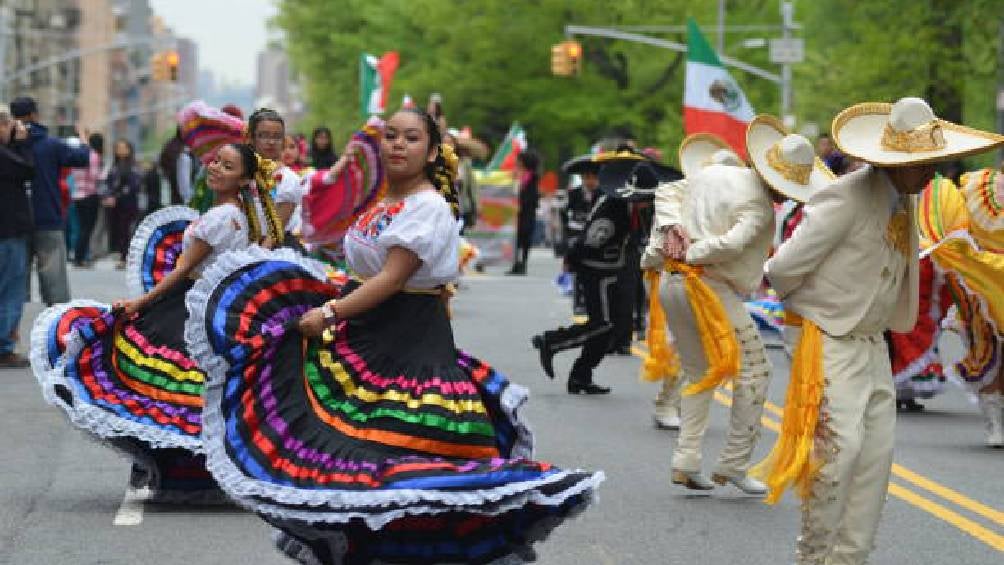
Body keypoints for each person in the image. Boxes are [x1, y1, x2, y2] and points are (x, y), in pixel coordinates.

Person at [184, 108, 603, 564]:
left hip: (408, 348)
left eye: (411, 137)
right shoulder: (384, 204)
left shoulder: (428, 207)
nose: (398, 145)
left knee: (393, 464)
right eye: (391, 136)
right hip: (365, 341)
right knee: (350, 464)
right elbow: (362, 273)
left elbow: (392, 279)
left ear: (432, 151)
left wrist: (329, 312)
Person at [753, 97, 1002, 564]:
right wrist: (813, 313)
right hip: (832, 339)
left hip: (873, 343)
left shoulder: (907, 198)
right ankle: (814, 557)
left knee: (875, 458)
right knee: (838, 453)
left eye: (935, 162)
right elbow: (783, 269)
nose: (931, 173)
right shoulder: (843, 197)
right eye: (924, 164)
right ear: (895, 161)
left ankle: (851, 558)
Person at [29, 142, 269, 501]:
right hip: (208, 307)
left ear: (245, 179)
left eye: (228, 166)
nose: (216, 168)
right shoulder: (240, 215)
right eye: (217, 161)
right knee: (189, 394)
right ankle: (192, 475)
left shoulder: (221, 217)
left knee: (158, 387)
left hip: (187, 305)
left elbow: (184, 269)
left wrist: (141, 301)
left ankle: (184, 473)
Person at [532, 150, 670, 395]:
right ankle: (552, 341)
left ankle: (581, 376)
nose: (649, 202)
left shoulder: (630, 206)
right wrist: (571, 259)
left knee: (611, 328)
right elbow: (590, 239)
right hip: (596, 271)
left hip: (612, 268)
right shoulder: (614, 208)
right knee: (602, 325)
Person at [641, 134, 745, 431]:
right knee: (683, 343)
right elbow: (661, 248)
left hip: (700, 281)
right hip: (673, 277)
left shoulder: (721, 205)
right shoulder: (678, 199)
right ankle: (666, 403)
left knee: (698, 345)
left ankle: (678, 403)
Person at [919, 167, 1004, 447]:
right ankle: (995, 423)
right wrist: (958, 259)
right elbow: (958, 227)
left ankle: (997, 421)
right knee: (989, 351)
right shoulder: (980, 186)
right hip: (982, 285)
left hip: (989, 281)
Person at [10, 96, 90, 306]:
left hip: (14, 222)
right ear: (34, 115)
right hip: (48, 218)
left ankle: (15, 322)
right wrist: (83, 138)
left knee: (15, 284)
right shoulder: (51, 144)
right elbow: (82, 158)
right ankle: (56, 321)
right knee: (55, 284)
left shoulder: (9, 145)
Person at [0, 112, 34, 368]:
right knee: (10, 290)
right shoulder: (6, 155)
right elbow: (27, 169)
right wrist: (21, 143)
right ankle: (4, 346)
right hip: (8, 231)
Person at [247, 108, 300, 243]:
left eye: (277, 137)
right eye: (264, 135)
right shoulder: (241, 174)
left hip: (272, 249)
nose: (271, 142)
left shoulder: (288, 179)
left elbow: (274, 235)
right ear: (251, 138)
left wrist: (254, 255)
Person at [102, 140, 142, 270]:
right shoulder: (114, 166)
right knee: (118, 230)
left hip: (128, 204)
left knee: (126, 230)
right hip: (114, 205)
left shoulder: (133, 167)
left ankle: (126, 257)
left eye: (124, 148)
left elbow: (134, 186)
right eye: (118, 148)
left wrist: (117, 196)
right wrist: (108, 196)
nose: (121, 150)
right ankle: (121, 255)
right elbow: (108, 183)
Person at [70, 133, 105, 268]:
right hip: (90, 195)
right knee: (88, 228)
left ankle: (79, 257)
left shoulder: (78, 156)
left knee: (81, 228)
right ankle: (81, 258)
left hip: (77, 195)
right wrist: (104, 175)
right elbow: (95, 176)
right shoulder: (94, 156)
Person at [506, 150, 540, 275]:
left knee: (525, 238)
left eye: (519, 160)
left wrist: (522, 203)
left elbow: (531, 196)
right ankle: (516, 263)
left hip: (526, 212)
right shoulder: (518, 175)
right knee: (516, 239)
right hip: (518, 212)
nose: (517, 162)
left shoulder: (531, 177)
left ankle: (523, 263)